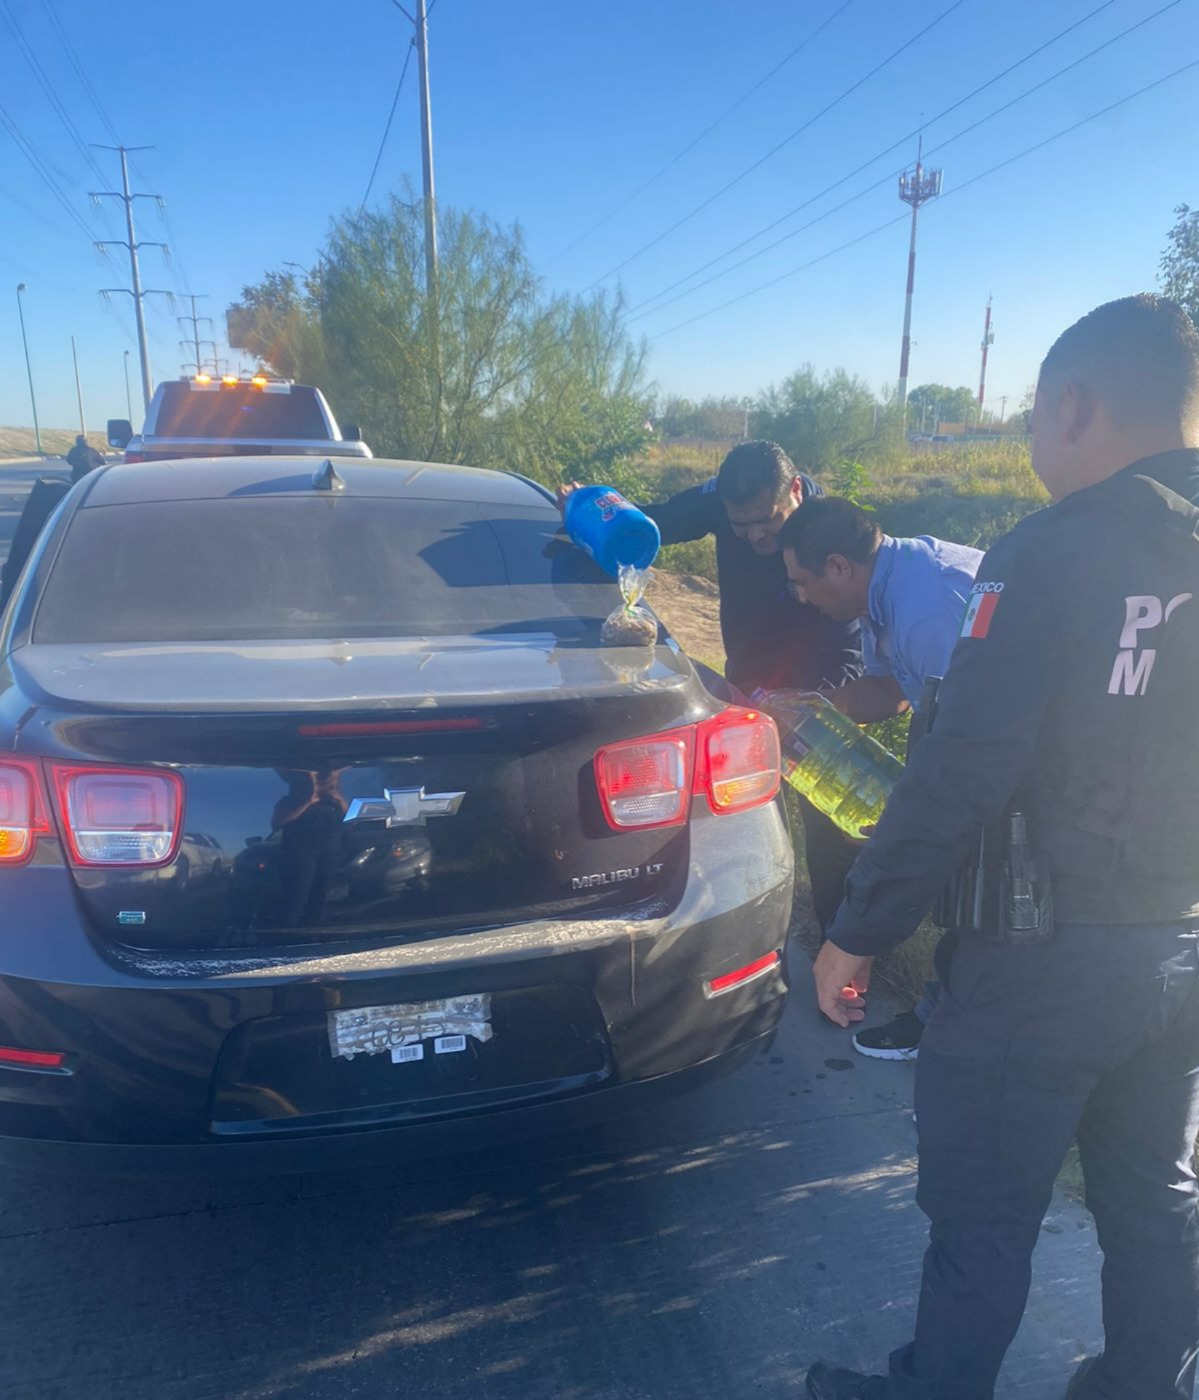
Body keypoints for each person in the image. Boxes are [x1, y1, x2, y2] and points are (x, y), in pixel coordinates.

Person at [805, 293, 1199, 1400]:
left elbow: (959, 769)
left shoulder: (1048, 553)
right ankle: (1142, 1383)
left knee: (980, 1215)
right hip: (1179, 945)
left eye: (1031, 416)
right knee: (1153, 1201)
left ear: (1071, 405)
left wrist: (856, 930)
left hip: (1041, 960)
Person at [560, 440, 863, 933]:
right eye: (741, 526)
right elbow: (657, 521)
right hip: (746, 683)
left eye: (768, 522)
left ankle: (839, 941)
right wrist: (591, 511)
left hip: (816, 693)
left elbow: (851, 642)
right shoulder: (724, 502)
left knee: (826, 828)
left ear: (795, 490)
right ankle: (751, 922)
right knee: (745, 812)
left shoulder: (827, 530)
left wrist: (817, 706)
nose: (756, 535)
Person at [777, 496, 982, 1060]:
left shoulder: (927, 610)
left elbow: (973, 740)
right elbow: (891, 690)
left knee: (980, 890)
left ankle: (952, 1031)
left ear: (838, 567)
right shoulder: (883, 592)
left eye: (803, 583)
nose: (801, 597)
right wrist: (811, 710)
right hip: (964, 743)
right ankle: (941, 1012)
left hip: (1012, 760)